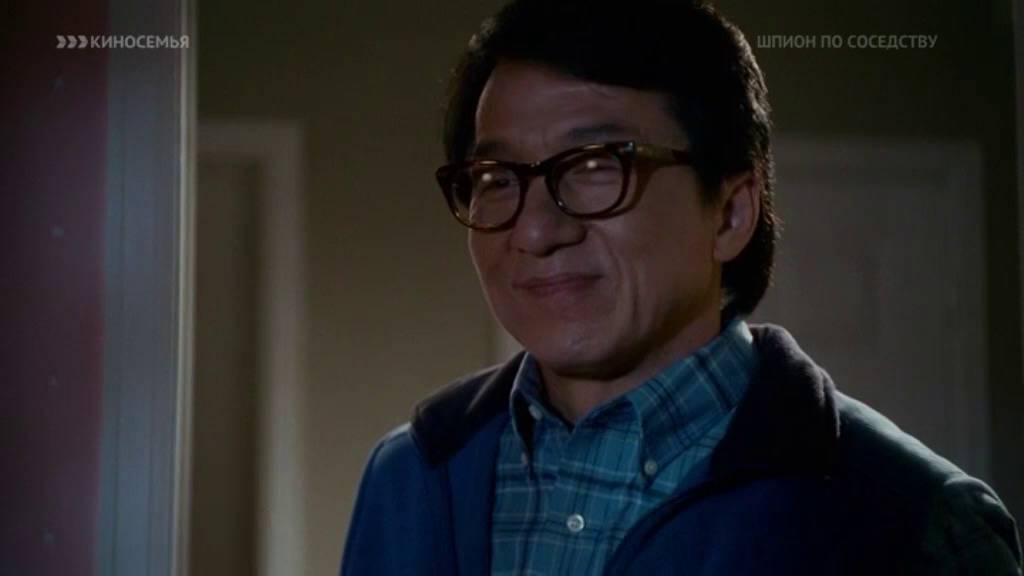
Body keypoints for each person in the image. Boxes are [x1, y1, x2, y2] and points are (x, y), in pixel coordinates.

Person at [341, 0, 1023, 574]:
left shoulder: (914, 520)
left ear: (730, 213)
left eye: (596, 166)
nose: (537, 231)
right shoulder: (408, 475)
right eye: (496, 178)